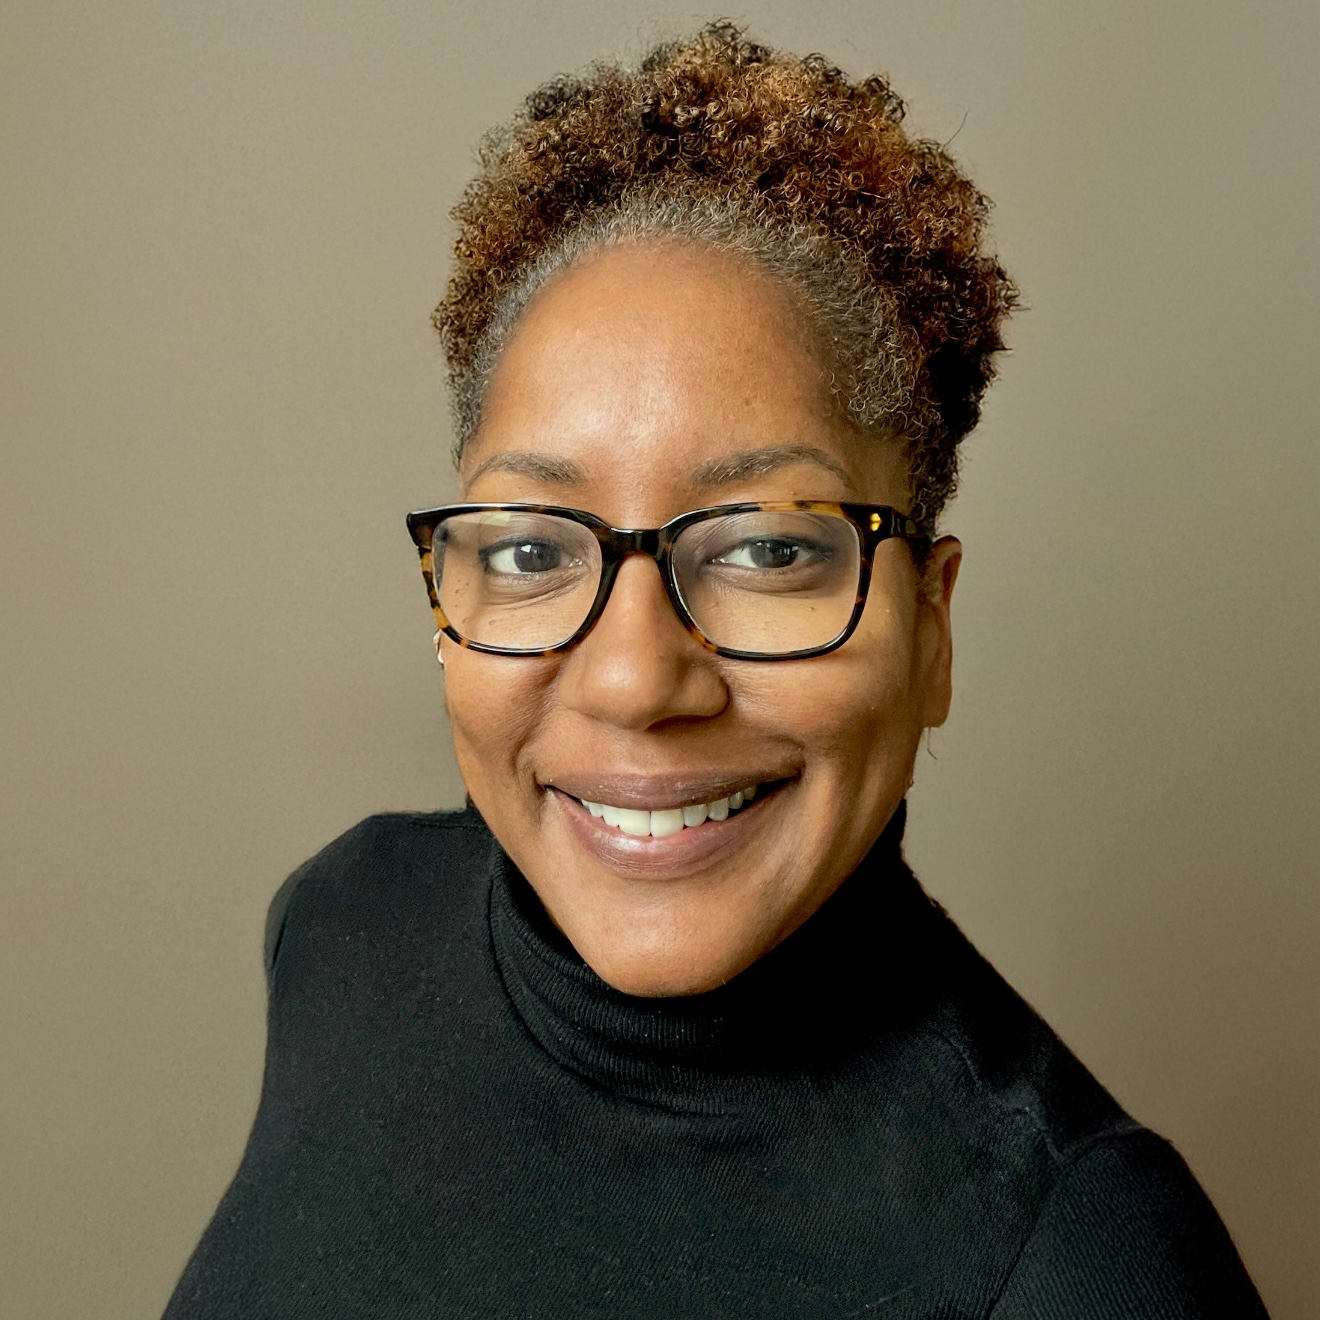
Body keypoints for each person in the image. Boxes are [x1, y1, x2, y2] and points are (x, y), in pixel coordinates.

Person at [163, 23, 1268, 1317]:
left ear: (932, 627)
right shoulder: (347, 924)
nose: (634, 678)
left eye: (765, 550)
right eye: (529, 546)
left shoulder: (1085, 1263)